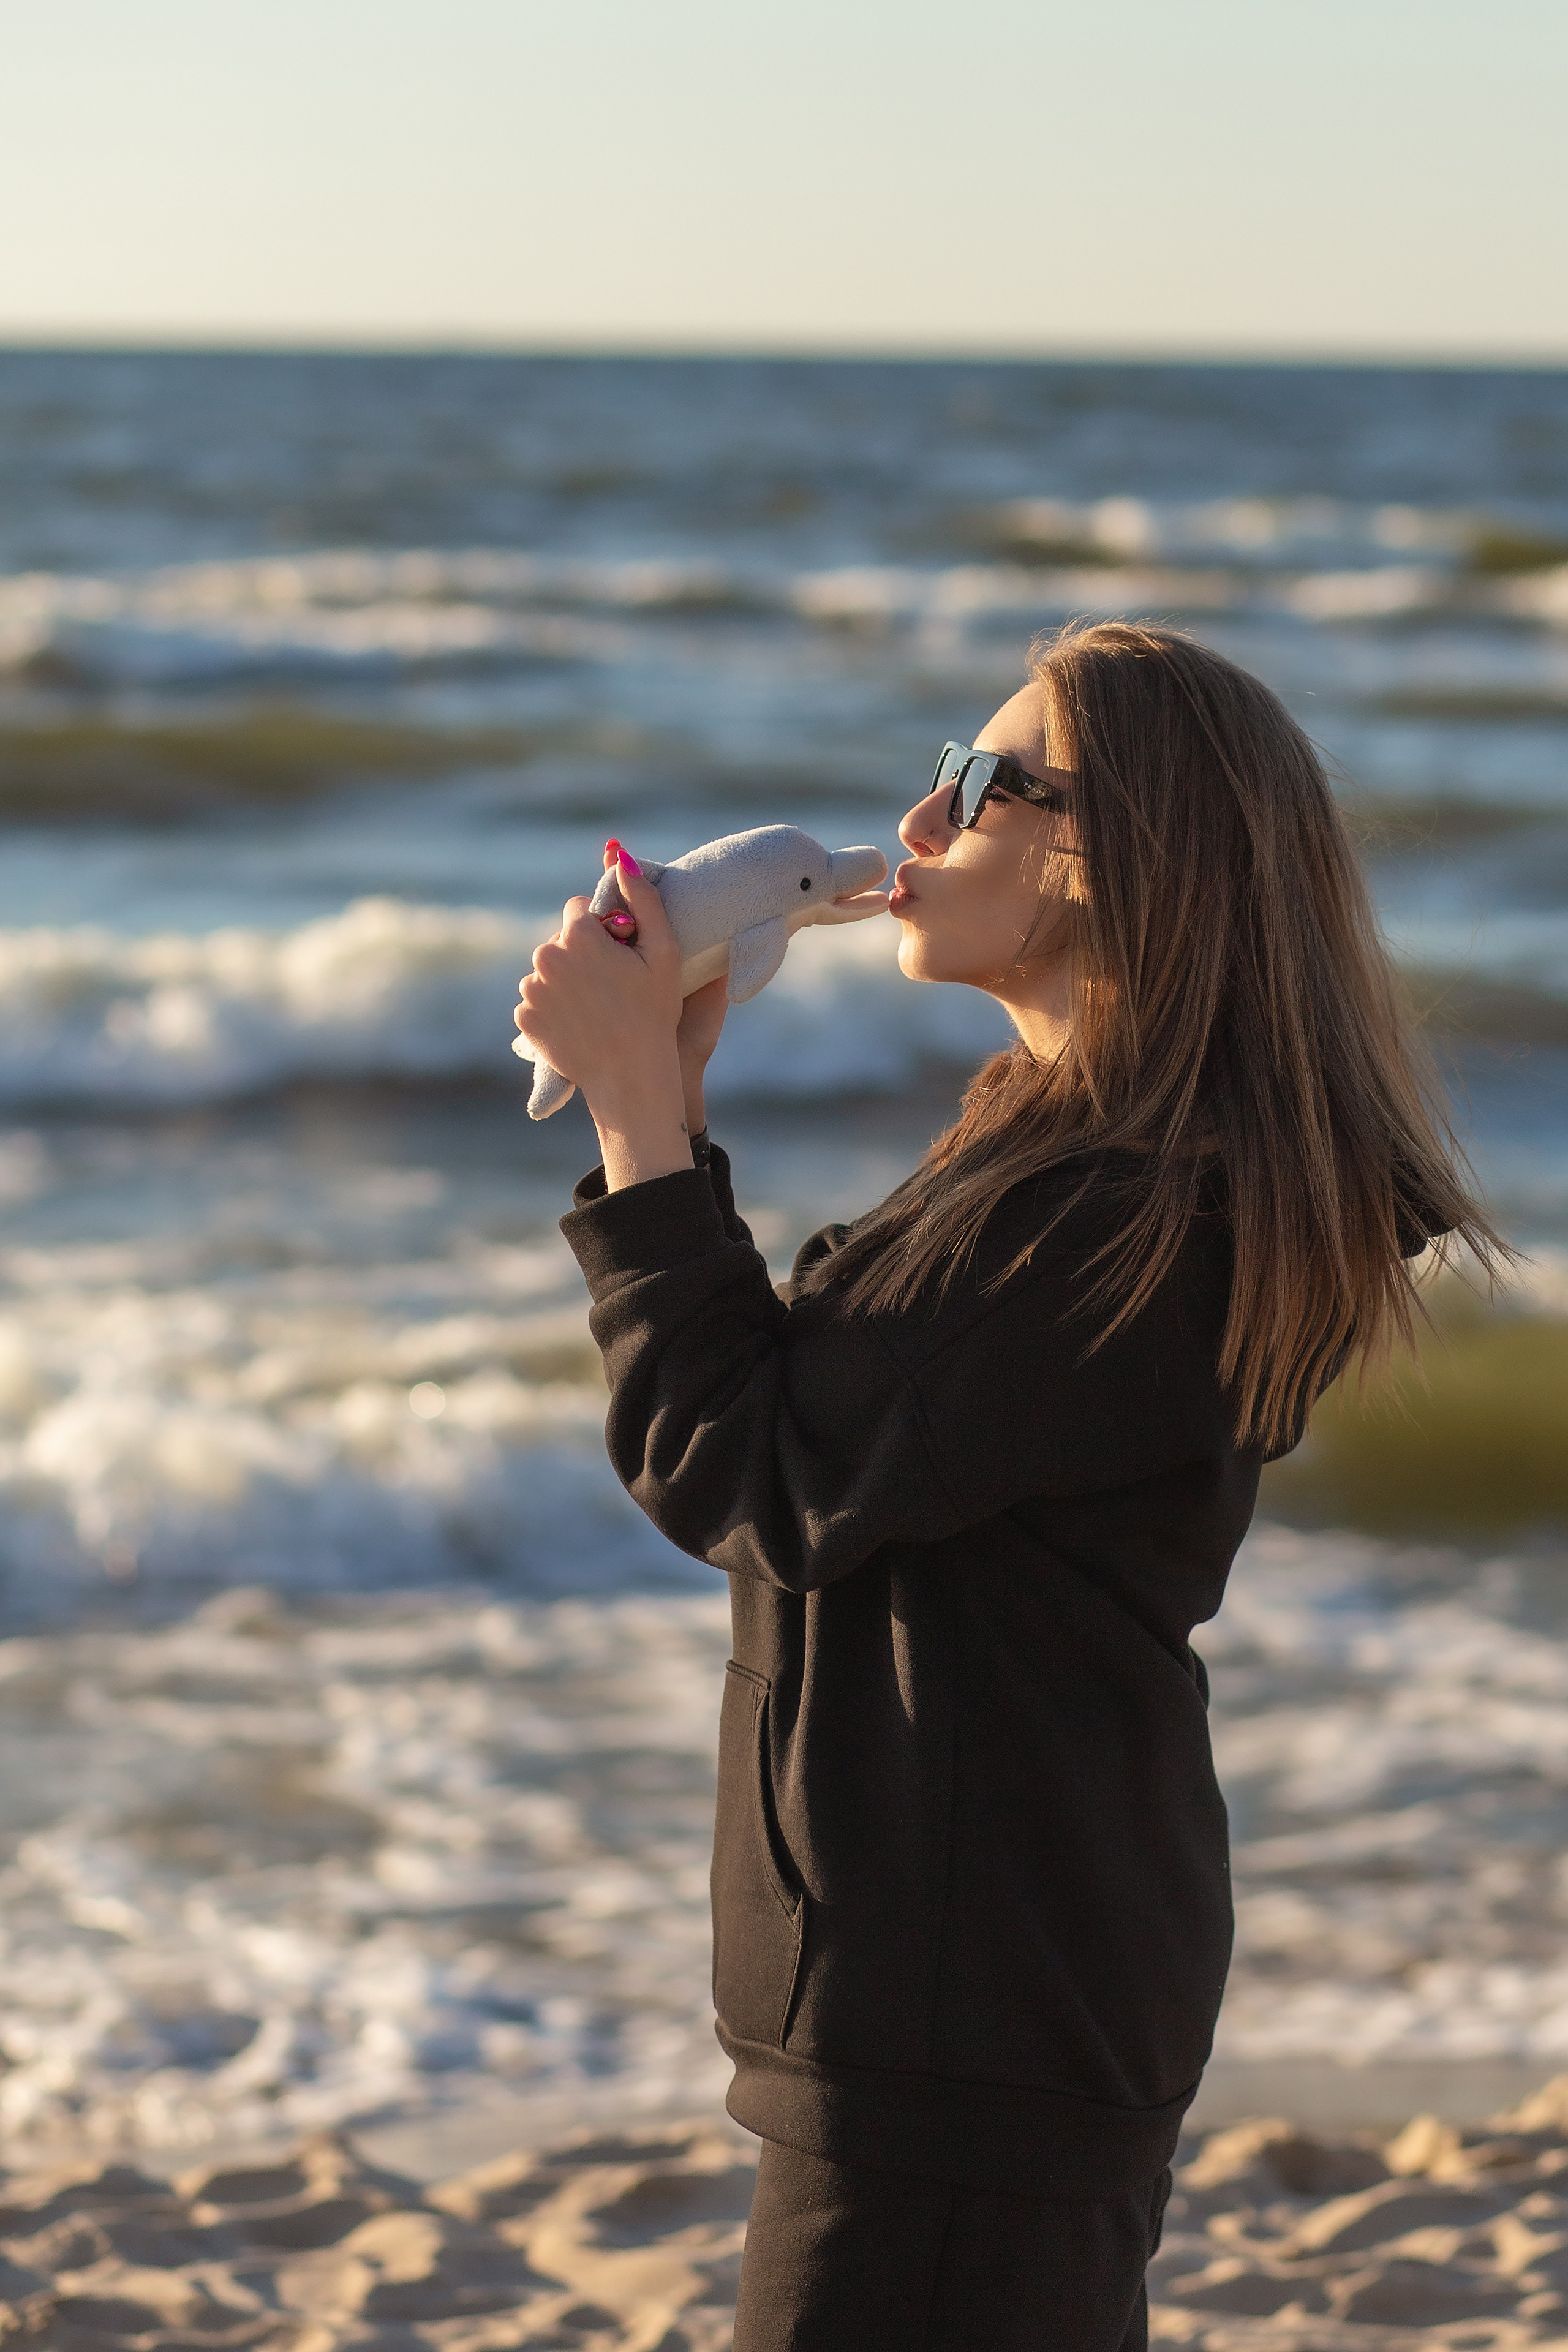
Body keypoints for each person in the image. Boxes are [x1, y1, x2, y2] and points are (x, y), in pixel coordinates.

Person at [513, 620, 1504, 2350]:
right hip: (989, 2001)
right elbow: (822, 1437)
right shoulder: (1071, 1158)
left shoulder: (1129, 1215)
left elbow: (755, 1468)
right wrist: (662, 1097)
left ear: (1104, 853)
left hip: (969, 2029)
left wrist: (633, 1125)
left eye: (975, 786)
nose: (914, 822)